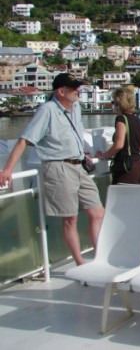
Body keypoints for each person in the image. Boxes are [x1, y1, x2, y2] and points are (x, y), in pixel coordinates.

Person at [0, 73, 104, 266]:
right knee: (70, 218)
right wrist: (7, 169)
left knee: (97, 212)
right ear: (61, 91)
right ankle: (80, 263)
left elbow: (75, 134)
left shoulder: (76, 108)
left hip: (79, 165)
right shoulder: (47, 110)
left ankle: (100, 257)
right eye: (74, 88)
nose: (78, 91)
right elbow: (25, 140)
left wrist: (83, 152)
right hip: (58, 168)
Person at [95, 87, 140, 184]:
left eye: (114, 102)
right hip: (139, 165)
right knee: (138, 196)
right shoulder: (139, 121)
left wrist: (103, 155)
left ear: (119, 104)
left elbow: (119, 145)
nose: (113, 105)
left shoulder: (121, 119)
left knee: (120, 197)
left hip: (126, 167)